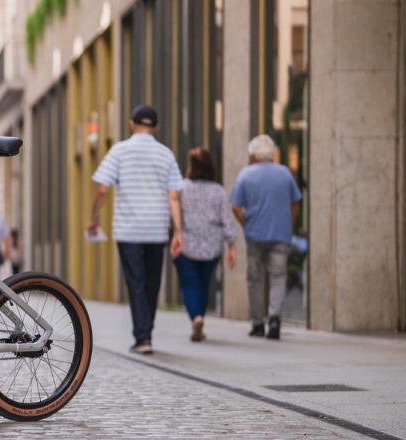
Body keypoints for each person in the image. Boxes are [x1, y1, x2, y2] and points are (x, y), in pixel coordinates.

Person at [89, 105, 184, 355]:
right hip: (156, 228)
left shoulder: (119, 151)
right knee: (152, 283)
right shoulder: (166, 154)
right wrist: (178, 232)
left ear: (132, 124)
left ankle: (143, 337)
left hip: (129, 229)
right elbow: (173, 195)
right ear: (156, 127)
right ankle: (146, 334)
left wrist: (94, 218)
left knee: (136, 282)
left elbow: (102, 189)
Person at [231, 134, 302, 340]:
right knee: (278, 277)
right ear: (272, 154)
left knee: (255, 279)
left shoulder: (245, 174)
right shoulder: (285, 173)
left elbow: (235, 206)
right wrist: (290, 221)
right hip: (281, 234)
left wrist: (246, 222)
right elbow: (296, 202)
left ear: (253, 154)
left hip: (255, 234)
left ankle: (257, 323)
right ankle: (274, 319)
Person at [174, 148, 239, 341]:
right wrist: (232, 246)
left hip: (187, 245)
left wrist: (174, 234)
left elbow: (174, 213)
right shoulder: (218, 191)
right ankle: (199, 318)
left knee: (189, 284)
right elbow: (227, 219)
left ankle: (196, 316)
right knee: (203, 284)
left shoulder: (182, 187)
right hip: (212, 246)